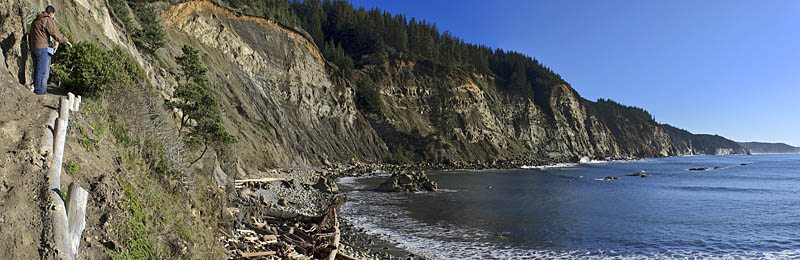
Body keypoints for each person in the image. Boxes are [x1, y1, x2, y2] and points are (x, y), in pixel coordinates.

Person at [29, 5, 71, 95]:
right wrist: (65, 40)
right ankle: (38, 91)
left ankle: (38, 89)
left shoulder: (35, 21)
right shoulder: (47, 20)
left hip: (33, 47)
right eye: (53, 15)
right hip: (42, 48)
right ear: (51, 13)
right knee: (41, 70)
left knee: (36, 69)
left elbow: (30, 34)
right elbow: (55, 33)